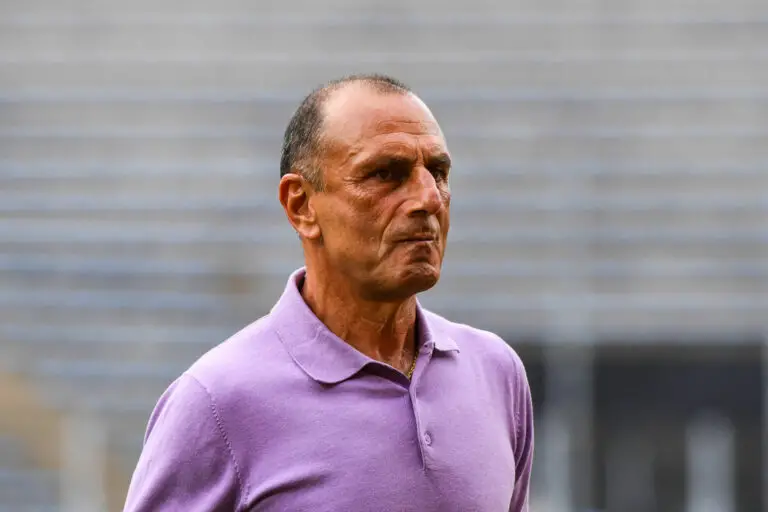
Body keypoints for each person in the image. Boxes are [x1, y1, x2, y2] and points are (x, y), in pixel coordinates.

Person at [123, 74, 534, 512]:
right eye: (385, 174)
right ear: (301, 205)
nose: (429, 199)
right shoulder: (216, 403)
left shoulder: (496, 373)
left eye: (438, 172)